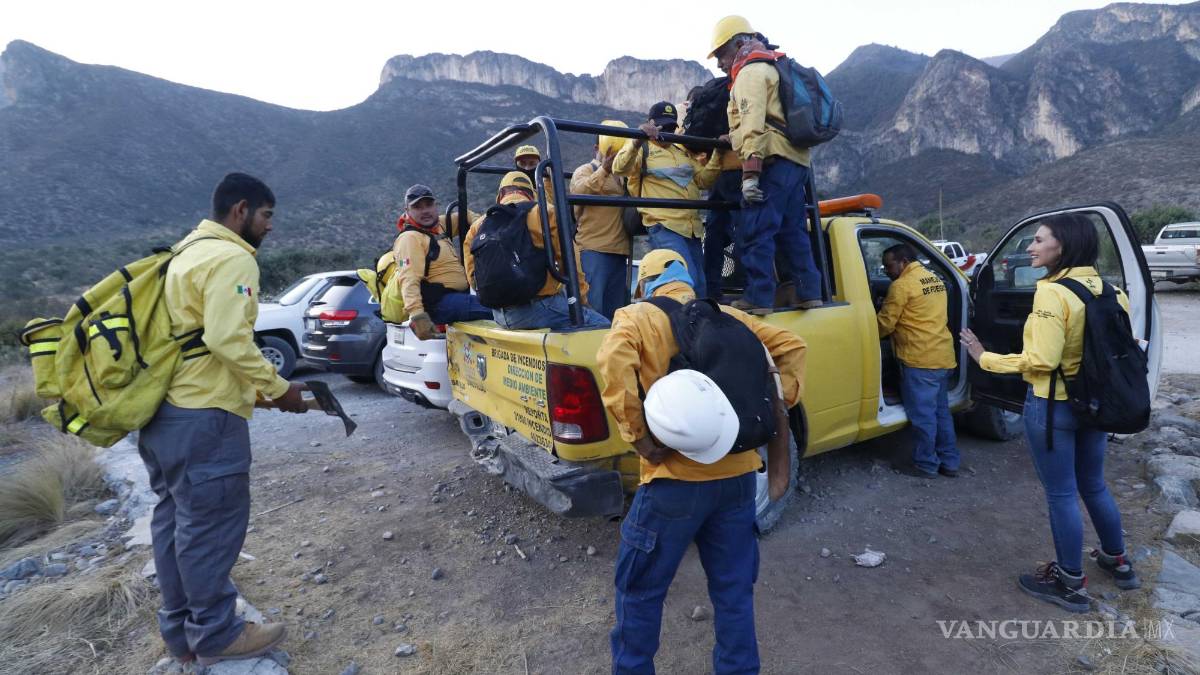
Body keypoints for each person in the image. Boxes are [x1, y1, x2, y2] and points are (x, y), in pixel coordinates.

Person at [597, 249, 807, 674]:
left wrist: (641, 440)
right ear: (687, 279)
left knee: (639, 591)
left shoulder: (635, 317)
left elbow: (613, 370)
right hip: (738, 479)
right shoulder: (730, 316)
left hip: (673, 482)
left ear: (646, 283)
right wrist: (779, 403)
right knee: (733, 591)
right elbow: (792, 345)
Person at [140, 173, 305, 666]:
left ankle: (180, 632)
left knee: (174, 524)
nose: (270, 226)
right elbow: (228, 340)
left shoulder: (183, 253)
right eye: (266, 215)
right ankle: (215, 635)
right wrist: (280, 389)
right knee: (210, 527)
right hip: (205, 416)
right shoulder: (233, 256)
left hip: (163, 414)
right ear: (240, 211)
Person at [962, 213, 1141, 612]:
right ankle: (1119, 561)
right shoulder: (1111, 291)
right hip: (1095, 406)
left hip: (1053, 407)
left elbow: (1041, 361)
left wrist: (985, 357)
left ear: (1063, 245)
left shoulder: (1052, 294)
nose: (1031, 247)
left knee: (1061, 493)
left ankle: (1070, 582)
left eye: (1039, 240)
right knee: (1093, 484)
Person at [709, 15, 823, 313]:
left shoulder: (750, 74)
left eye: (721, 53)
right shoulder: (773, 66)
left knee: (756, 228)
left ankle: (758, 297)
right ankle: (808, 291)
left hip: (770, 162)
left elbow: (752, 125)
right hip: (796, 161)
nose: (720, 63)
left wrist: (750, 174)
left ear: (738, 43)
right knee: (793, 230)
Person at [463, 171, 609, 330]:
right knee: (603, 327)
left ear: (499, 197)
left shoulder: (478, 226)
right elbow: (571, 264)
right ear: (532, 195)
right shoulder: (544, 213)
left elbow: (473, 276)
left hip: (499, 315)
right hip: (538, 310)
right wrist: (582, 302)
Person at [613, 101, 722, 297]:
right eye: (662, 125)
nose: (667, 130)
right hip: (664, 226)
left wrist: (718, 155)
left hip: (692, 229)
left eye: (671, 126)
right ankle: (678, 323)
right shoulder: (642, 148)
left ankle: (697, 324)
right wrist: (636, 140)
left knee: (700, 287)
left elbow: (703, 180)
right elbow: (619, 168)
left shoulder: (681, 151)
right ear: (651, 123)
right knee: (686, 281)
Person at [876, 244, 960, 478]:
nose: (886, 270)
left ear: (903, 261)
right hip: (942, 356)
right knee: (941, 413)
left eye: (889, 265)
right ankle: (950, 461)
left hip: (919, 360)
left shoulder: (901, 286)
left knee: (923, 417)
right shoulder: (934, 279)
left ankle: (925, 464)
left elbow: (885, 324)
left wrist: (862, 334)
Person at [392, 184, 491, 339]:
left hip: (456, 298)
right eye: (417, 207)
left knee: (499, 300)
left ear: (435, 206)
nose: (425, 211)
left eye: (428, 205)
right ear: (407, 211)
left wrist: (482, 226)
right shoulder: (409, 238)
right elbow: (408, 278)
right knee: (495, 309)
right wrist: (417, 314)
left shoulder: (438, 226)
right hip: (439, 304)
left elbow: (464, 215)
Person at [570, 120, 631, 319]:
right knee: (592, 309)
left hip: (619, 252)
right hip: (593, 250)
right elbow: (577, 191)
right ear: (596, 148)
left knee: (616, 312)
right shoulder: (585, 170)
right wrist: (604, 169)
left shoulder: (623, 177)